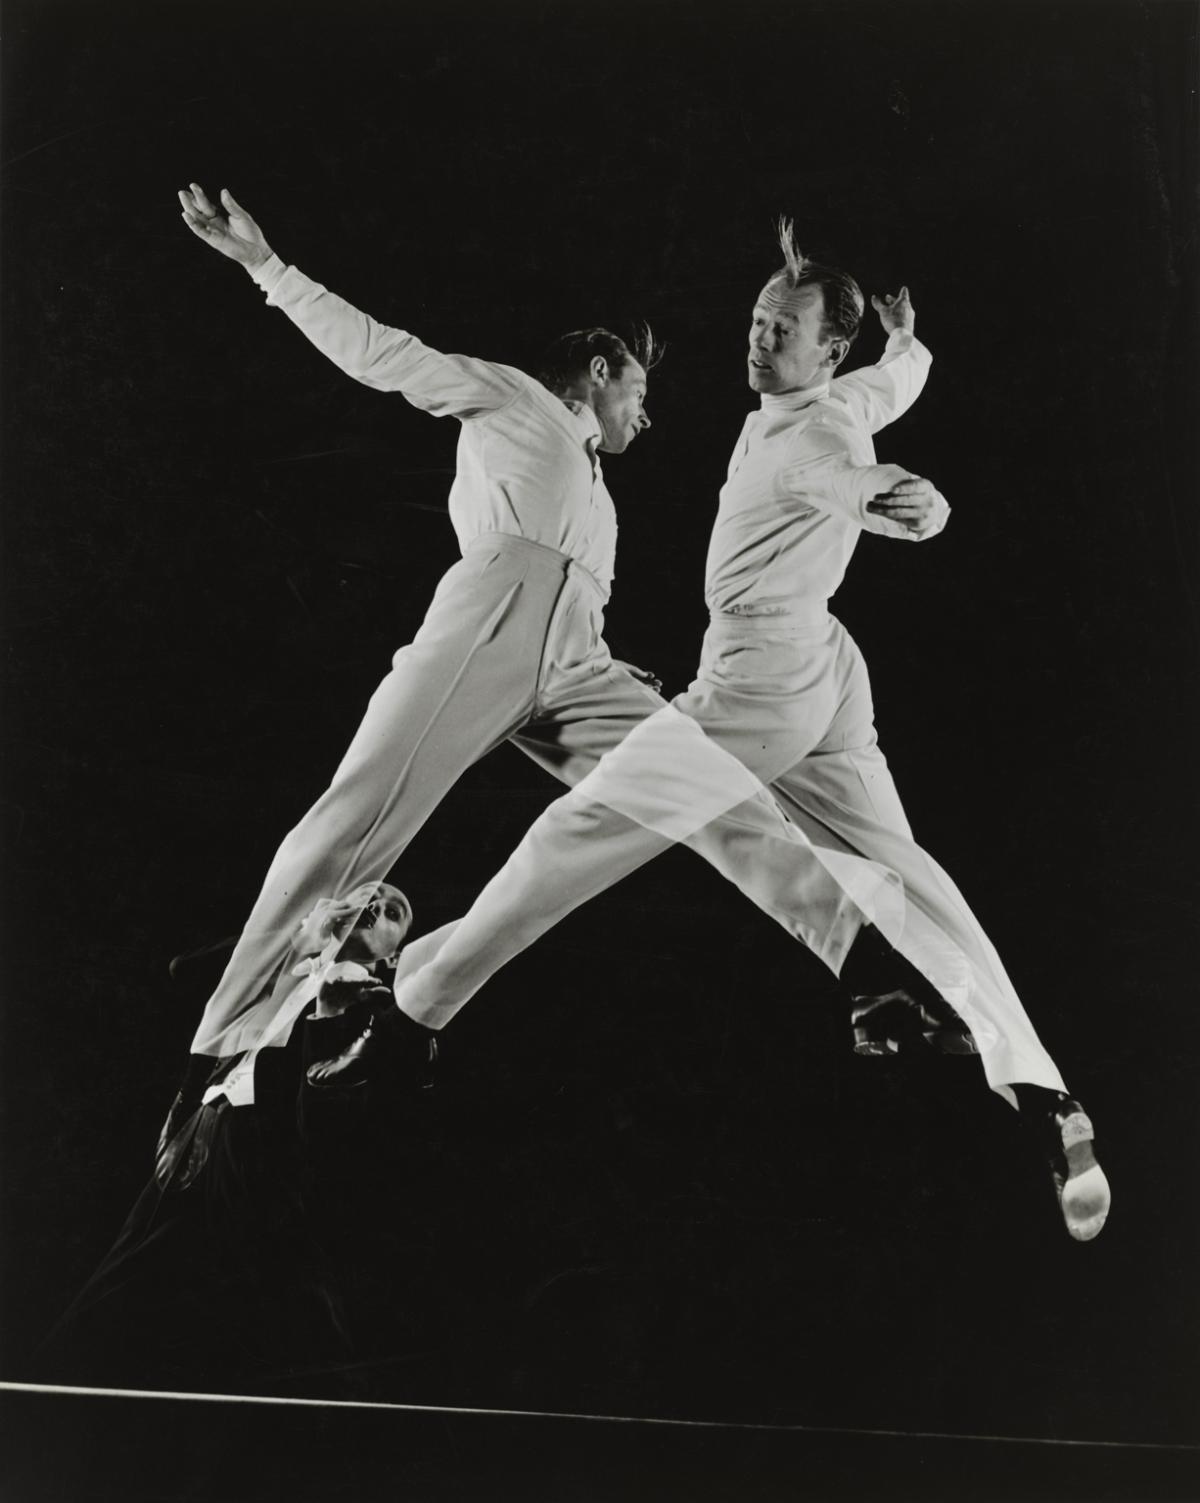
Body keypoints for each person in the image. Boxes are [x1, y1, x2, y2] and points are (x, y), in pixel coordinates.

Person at [312, 222, 1111, 1245]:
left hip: (758, 682)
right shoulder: (838, 397)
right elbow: (892, 388)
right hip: (824, 670)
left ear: (827, 349)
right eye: (759, 320)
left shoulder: (812, 439)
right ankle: (1043, 1094)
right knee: (904, 873)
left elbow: (856, 479)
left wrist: (910, 502)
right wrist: (907, 344)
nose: (760, 340)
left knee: (578, 833)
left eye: (784, 330)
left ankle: (409, 1015)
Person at [172, 184, 919, 1078]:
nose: (646, 413)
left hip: (576, 661)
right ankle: (220, 1050)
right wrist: (268, 267)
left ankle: (867, 965)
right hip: (491, 619)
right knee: (359, 815)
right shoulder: (512, 398)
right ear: (598, 370)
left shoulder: (598, 492)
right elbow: (381, 352)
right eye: (638, 390)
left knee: (707, 785)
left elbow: (573, 598)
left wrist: (904, 348)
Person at [39, 884, 421, 1395]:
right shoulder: (291, 957)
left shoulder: (381, 1013)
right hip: (201, 1134)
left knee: (296, 1322)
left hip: (271, 1161)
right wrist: (296, 941)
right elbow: (184, 971)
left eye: (393, 912)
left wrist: (329, 1016)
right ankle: (36, 1394)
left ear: (393, 955)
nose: (375, 907)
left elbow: (335, 1129)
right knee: (120, 1284)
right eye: (368, 894)